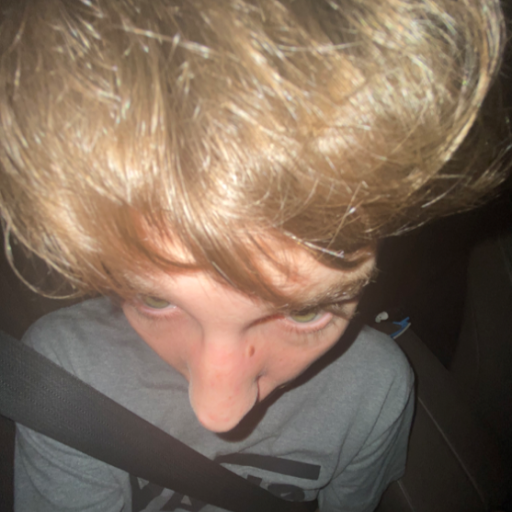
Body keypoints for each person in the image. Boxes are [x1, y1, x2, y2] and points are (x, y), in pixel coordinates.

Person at [0, 0, 508, 511]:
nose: (220, 413)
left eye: (303, 311)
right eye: (153, 298)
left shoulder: (375, 388)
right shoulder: (62, 379)